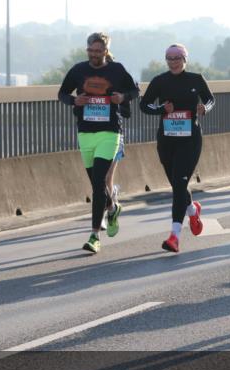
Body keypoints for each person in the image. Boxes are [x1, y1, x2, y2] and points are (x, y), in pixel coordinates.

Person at [58, 33, 140, 253]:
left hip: (109, 132)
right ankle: (112, 207)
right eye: (90, 51)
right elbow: (62, 93)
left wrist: (122, 98)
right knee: (98, 185)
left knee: (98, 183)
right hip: (85, 131)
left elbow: (135, 91)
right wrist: (75, 100)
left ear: (106, 51)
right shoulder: (78, 70)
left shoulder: (117, 70)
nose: (94, 55)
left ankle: (94, 236)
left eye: (98, 51)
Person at [140, 44, 214, 253]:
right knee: (177, 185)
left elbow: (210, 99)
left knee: (179, 186)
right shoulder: (159, 81)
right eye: (169, 58)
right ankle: (192, 210)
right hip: (167, 140)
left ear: (185, 59)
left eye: (177, 58)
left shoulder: (196, 79)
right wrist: (162, 109)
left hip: (190, 141)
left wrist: (204, 108)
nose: (173, 62)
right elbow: (144, 105)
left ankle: (175, 236)